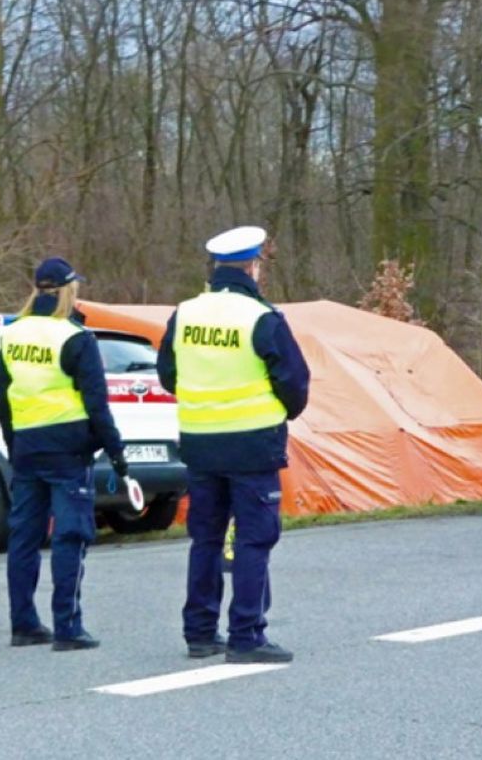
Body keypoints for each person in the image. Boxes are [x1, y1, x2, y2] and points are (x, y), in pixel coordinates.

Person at [158, 226, 309, 663]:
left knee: (204, 538)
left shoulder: (184, 314)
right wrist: (279, 413)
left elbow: (168, 375)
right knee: (253, 539)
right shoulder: (261, 317)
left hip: (200, 442)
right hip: (253, 444)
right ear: (253, 266)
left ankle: (200, 632)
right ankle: (246, 634)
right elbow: (294, 382)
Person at [0, 257, 129, 651]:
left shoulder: (12, 334)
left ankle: (24, 624)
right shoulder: (75, 338)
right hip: (68, 451)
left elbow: (2, 395)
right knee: (71, 535)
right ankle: (67, 627)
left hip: (27, 447)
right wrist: (117, 454)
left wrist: (13, 442)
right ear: (69, 291)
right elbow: (97, 405)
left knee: (24, 537)